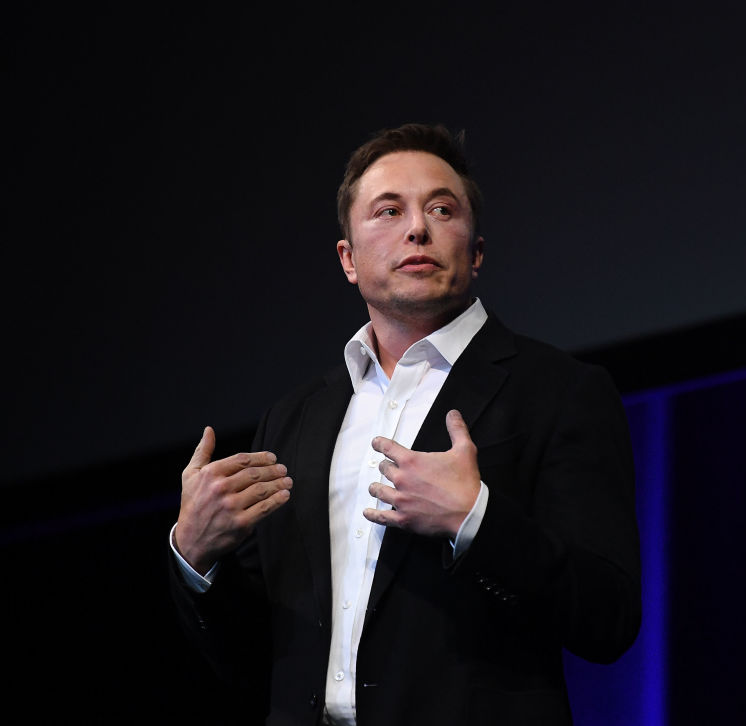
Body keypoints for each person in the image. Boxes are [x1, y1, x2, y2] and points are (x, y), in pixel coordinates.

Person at [169, 123, 641, 726]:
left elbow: (608, 618)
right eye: (388, 211)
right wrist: (196, 555)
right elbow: (256, 658)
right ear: (348, 259)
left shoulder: (560, 392)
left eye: (441, 209)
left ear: (476, 252)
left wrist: (475, 520)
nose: (417, 228)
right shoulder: (294, 419)